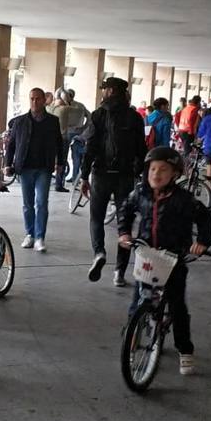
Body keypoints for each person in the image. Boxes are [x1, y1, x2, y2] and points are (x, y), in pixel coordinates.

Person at [117, 146, 211, 374]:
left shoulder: (183, 200)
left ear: (175, 174)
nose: (156, 174)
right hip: (146, 255)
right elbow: (126, 209)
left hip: (173, 258)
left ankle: (185, 349)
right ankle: (132, 337)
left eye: (163, 169)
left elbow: (204, 218)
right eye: (152, 169)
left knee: (178, 306)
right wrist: (124, 232)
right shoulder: (140, 193)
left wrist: (202, 242)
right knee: (137, 302)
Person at [80, 77, 147, 286]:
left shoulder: (98, 115)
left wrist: (83, 176)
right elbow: (141, 149)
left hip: (101, 174)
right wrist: (140, 173)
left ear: (109, 91)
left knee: (96, 218)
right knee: (124, 223)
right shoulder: (135, 117)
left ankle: (99, 252)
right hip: (125, 176)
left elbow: (90, 147)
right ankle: (119, 272)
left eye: (105, 89)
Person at [5, 88, 65, 252]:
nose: (35, 102)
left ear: (44, 100)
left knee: (41, 203)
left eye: (38, 99)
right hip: (25, 168)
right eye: (32, 98)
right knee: (27, 204)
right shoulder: (20, 121)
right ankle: (30, 234)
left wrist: (61, 162)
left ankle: (40, 237)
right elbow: (11, 145)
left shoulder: (52, 121)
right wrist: (7, 164)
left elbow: (60, 143)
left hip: (44, 168)